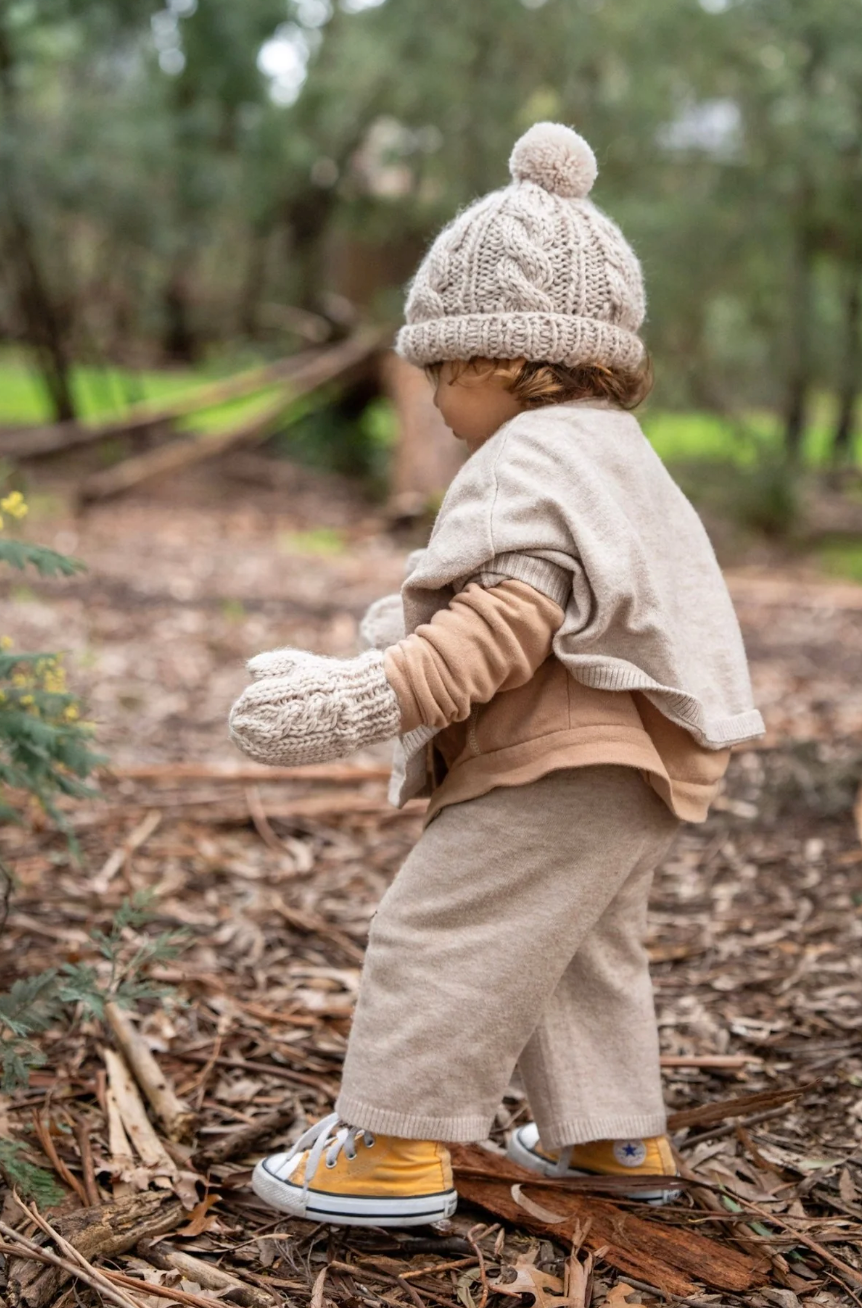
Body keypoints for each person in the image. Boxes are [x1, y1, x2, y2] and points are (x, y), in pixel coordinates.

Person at [228, 122, 764, 1228]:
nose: (430, 400)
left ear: (499, 357)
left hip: (555, 759)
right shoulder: (619, 452)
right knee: (578, 947)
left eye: (438, 371)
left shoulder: (526, 454)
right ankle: (613, 1137)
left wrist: (356, 699)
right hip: (642, 759)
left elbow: (506, 624)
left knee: (442, 928)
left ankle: (389, 1148)